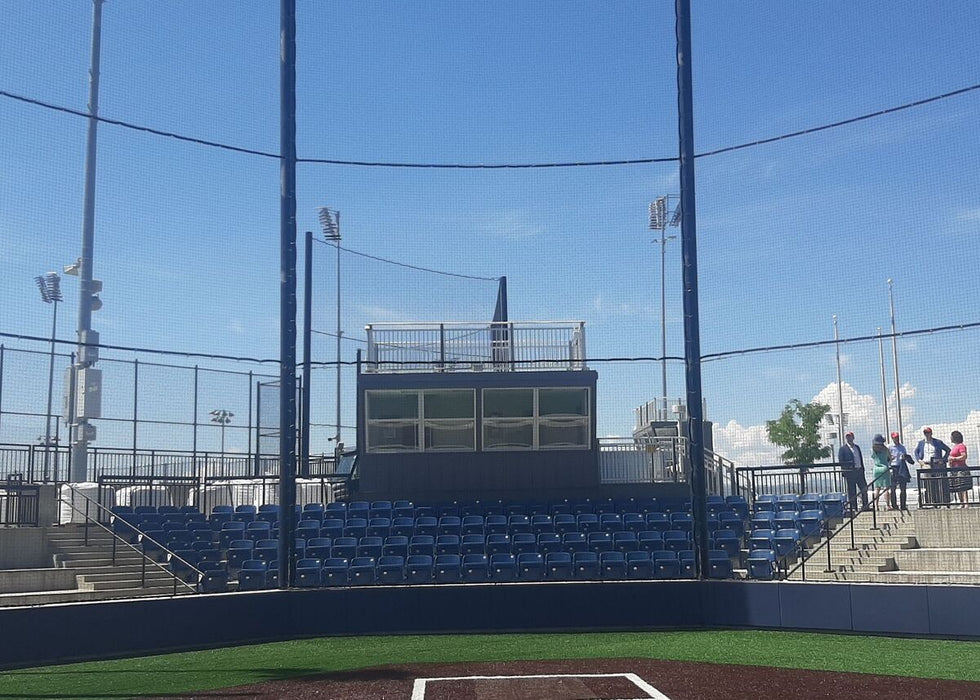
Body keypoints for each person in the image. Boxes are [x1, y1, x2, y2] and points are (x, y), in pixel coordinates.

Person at [914, 427, 951, 507]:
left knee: (938, 482)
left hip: (936, 464)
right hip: (926, 464)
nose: (927, 435)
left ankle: (940, 501)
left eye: (928, 433)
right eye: (925, 433)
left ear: (931, 433)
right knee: (928, 483)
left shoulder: (938, 442)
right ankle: (931, 501)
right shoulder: (921, 443)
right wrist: (919, 460)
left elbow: (948, 450)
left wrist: (943, 459)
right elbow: (916, 452)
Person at [838, 431, 869, 512]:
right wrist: (845, 471)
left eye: (850, 436)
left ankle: (865, 505)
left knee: (864, 488)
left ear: (853, 437)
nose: (849, 438)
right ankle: (853, 507)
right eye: (847, 436)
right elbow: (841, 461)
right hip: (850, 472)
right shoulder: (843, 449)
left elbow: (860, 459)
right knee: (852, 491)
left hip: (859, 471)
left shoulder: (857, 447)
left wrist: (862, 469)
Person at [888, 432, 913, 511]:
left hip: (901, 467)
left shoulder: (902, 447)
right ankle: (894, 505)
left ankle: (903, 505)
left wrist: (905, 457)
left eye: (897, 437)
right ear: (892, 438)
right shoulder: (889, 447)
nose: (896, 439)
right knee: (893, 488)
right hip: (893, 467)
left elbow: (905, 456)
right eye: (895, 438)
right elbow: (887, 458)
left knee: (903, 488)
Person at [948, 430, 972, 508]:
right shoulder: (954, 447)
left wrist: (954, 458)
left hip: (961, 469)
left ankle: (965, 503)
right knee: (957, 486)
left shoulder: (961, 446)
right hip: (954, 469)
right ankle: (961, 502)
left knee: (963, 486)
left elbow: (964, 456)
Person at [870, 434, 892, 510]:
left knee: (877, 489)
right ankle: (888, 505)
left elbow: (872, 457)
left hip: (876, 469)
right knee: (886, 488)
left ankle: (876, 505)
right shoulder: (885, 449)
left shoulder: (873, 449)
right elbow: (890, 457)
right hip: (884, 468)